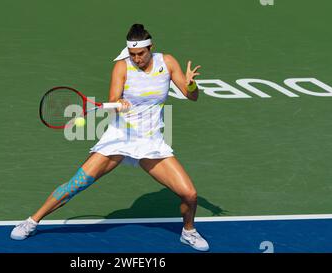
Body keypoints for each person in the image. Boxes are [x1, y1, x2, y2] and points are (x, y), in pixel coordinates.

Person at [11, 24, 209, 251]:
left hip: (150, 141)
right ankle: (31, 221)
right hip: (120, 137)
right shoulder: (122, 67)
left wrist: (191, 83)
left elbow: (191, 96)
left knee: (190, 194)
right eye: (132, 54)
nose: (137, 58)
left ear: (150, 48)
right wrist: (119, 103)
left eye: (141, 54)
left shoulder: (168, 62)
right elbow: (114, 99)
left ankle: (188, 232)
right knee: (77, 184)